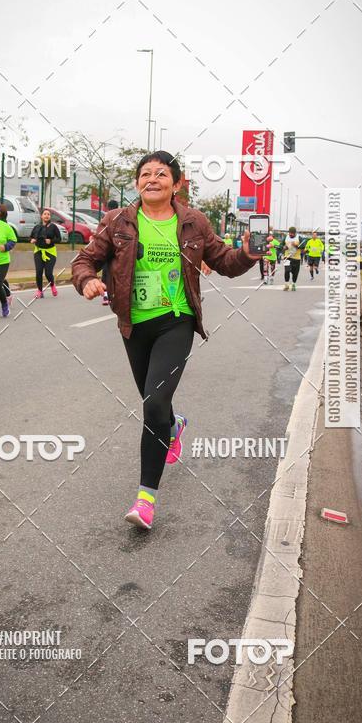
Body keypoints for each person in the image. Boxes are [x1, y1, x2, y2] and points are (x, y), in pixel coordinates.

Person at [72, 150, 265, 531]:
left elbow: (225, 262)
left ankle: (145, 499)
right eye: (145, 174)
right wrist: (87, 281)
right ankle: (173, 425)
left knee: (153, 402)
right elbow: (85, 259)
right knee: (155, 404)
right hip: (134, 325)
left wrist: (246, 253)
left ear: (176, 184)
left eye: (161, 174)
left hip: (176, 321)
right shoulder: (118, 221)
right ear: (137, 183)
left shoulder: (193, 222)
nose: (152, 179)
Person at [30, 208, 61, 298]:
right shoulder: (37, 227)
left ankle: (52, 285)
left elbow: (59, 239)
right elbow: (31, 237)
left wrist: (51, 241)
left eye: (48, 214)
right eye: (45, 214)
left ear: (50, 217)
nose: (47, 215)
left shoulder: (53, 227)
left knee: (48, 273)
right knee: (39, 272)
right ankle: (40, 291)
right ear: (41, 216)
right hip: (38, 251)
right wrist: (32, 240)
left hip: (50, 252)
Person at [101, 199, 120, 305]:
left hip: (107, 248)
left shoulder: (105, 218)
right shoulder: (121, 217)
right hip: (117, 249)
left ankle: (106, 295)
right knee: (116, 272)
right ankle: (111, 294)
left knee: (106, 272)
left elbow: (100, 233)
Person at [282, 226, 302, 291]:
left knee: (295, 273)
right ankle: (287, 285)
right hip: (287, 257)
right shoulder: (286, 237)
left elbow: (303, 246)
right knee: (287, 271)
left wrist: (296, 245)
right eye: (290, 233)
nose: (291, 234)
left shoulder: (299, 237)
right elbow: (281, 245)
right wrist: (284, 247)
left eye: (292, 233)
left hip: (296, 258)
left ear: (295, 233)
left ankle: (293, 284)